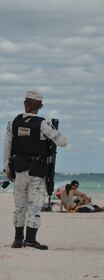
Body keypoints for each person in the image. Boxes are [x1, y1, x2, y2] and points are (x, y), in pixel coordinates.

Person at [3, 91, 67, 250]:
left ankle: (18, 240)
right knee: (35, 205)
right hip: (37, 172)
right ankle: (30, 239)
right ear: (41, 106)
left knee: (19, 206)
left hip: (18, 170)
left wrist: (7, 168)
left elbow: (7, 148)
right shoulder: (43, 124)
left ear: (24, 103)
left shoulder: (14, 122)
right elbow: (62, 142)